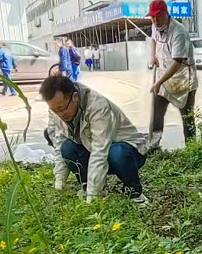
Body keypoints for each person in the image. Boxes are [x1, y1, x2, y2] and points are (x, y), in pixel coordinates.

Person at [41, 75, 150, 205]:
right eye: (55, 110)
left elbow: (100, 151)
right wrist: (59, 181)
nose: (60, 114)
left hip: (126, 153)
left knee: (117, 153)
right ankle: (86, 185)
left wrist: (93, 196)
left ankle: (134, 192)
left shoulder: (98, 106)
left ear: (75, 97)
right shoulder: (56, 110)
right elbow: (58, 144)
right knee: (67, 147)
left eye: (62, 108)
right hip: (91, 148)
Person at [147, 0, 197, 151]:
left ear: (166, 13)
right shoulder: (155, 25)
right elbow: (154, 39)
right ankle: (154, 146)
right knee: (157, 111)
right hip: (164, 75)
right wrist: (153, 56)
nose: (155, 20)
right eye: (152, 17)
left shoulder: (178, 32)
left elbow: (176, 63)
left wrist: (158, 82)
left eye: (158, 16)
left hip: (182, 77)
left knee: (187, 115)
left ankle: (193, 148)